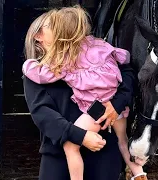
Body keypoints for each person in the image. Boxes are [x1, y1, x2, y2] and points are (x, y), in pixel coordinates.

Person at [22, 5, 141, 180]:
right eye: (51, 25)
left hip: (103, 149)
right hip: (59, 154)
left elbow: (128, 75)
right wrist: (80, 136)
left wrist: (116, 104)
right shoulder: (37, 73)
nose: (59, 26)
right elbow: (43, 115)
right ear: (38, 36)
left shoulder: (92, 54)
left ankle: (137, 171)